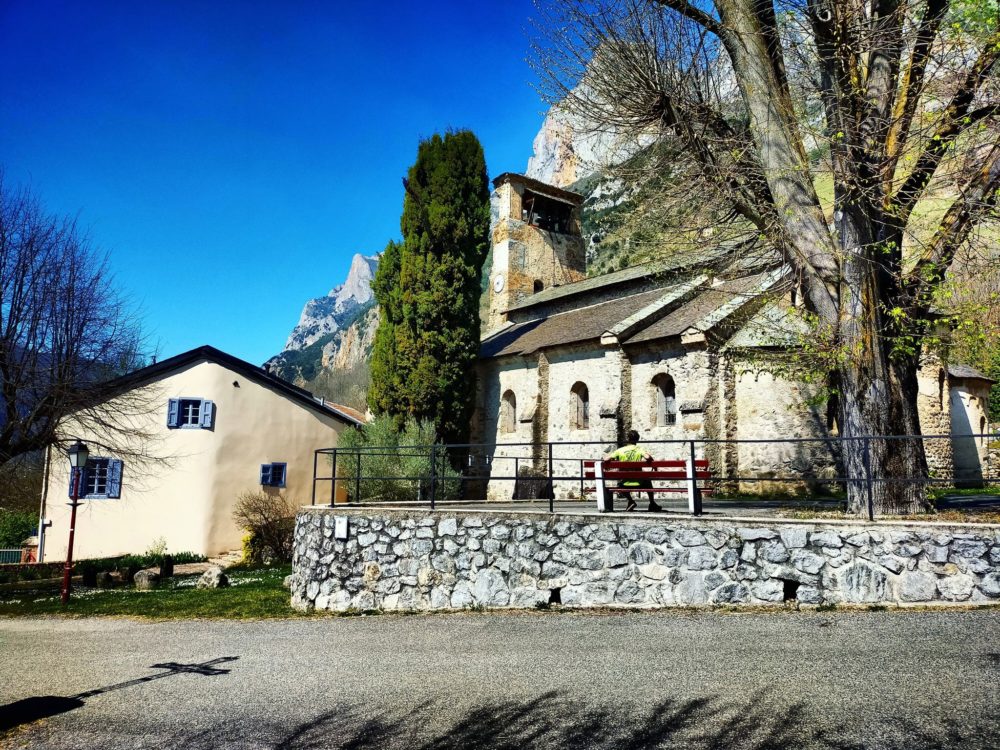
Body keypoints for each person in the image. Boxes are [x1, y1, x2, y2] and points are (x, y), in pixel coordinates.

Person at [603, 430, 663, 512]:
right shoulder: (639, 449)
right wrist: (653, 464)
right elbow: (648, 457)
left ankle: (631, 501)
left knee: (619, 484)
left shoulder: (620, 450)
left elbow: (606, 459)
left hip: (624, 483)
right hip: (639, 482)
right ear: (637, 440)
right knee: (648, 481)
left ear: (628, 439)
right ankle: (652, 503)